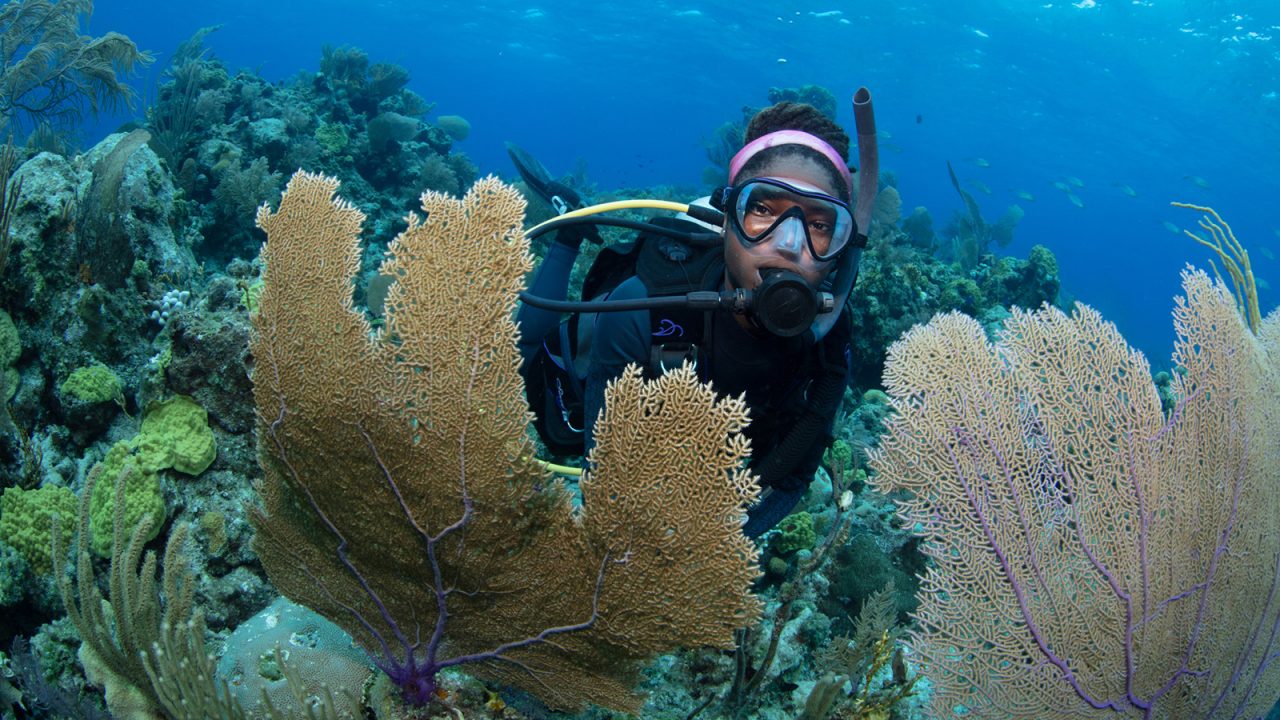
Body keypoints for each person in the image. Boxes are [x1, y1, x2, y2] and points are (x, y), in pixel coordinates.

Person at [515, 97, 876, 537]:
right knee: (537, 396)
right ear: (726, 219)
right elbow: (603, 477)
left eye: (820, 224)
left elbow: (792, 476)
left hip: (686, 450)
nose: (789, 243)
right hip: (573, 391)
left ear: (842, 249)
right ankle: (568, 235)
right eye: (762, 210)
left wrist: (710, 550)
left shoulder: (830, 331)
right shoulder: (646, 303)